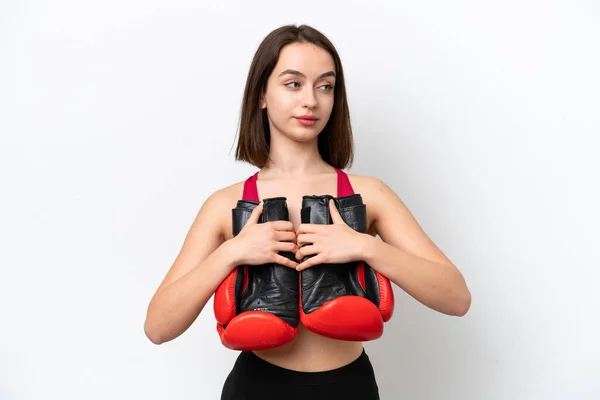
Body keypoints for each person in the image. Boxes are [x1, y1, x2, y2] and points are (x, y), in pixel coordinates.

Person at [144, 24, 472, 400]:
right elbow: (158, 327)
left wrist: (365, 247)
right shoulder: (226, 205)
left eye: (325, 86)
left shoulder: (370, 195)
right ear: (262, 95)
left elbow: (456, 298)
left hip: (349, 388)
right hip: (257, 388)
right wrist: (232, 252)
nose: (312, 101)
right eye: (293, 83)